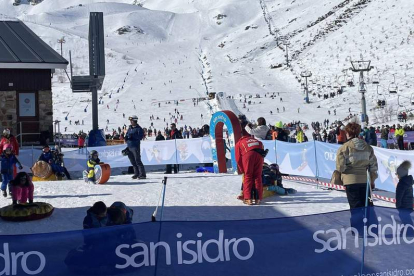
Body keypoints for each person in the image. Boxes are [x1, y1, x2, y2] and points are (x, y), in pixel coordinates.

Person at [336, 122, 378, 230]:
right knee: (368, 205)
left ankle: (358, 230)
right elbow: (373, 166)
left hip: (351, 181)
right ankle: (372, 228)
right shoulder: (368, 147)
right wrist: (372, 180)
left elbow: (340, 167)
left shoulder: (344, 148)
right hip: (365, 180)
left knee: (355, 207)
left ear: (347, 133)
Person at [235, 115, 266, 205]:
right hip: (259, 152)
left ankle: (248, 198)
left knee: (248, 176)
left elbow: (238, 158)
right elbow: (262, 152)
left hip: (249, 154)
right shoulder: (255, 140)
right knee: (258, 176)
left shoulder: (240, 142)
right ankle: (258, 198)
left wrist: (242, 170)